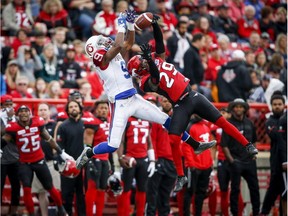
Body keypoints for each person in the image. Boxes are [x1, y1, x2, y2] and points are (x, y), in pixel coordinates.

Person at [76, 10, 215, 193]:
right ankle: (89, 152)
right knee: (112, 145)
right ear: (96, 48)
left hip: (133, 98)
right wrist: (120, 24)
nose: (105, 41)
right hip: (120, 104)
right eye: (101, 41)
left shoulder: (113, 54)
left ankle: (195, 145)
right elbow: (118, 44)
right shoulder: (100, 58)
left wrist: (131, 25)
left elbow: (127, 43)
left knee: (167, 120)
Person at [127, 17, 258, 192]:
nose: (144, 60)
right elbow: (156, 78)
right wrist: (149, 62)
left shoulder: (156, 59)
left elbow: (159, 41)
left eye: (143, 60)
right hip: (181, 104)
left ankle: (247, 145)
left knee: (222, 121)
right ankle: (181, 176)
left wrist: (155, 24)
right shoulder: (144, 81)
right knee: (173, 139)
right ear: (140, 70)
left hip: (194, 95)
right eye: (141, 62)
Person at [1, 105, 70, 216]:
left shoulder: (37, 123)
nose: (23, 113)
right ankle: (32, 214)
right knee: (27, 189)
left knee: (50, 187)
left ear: (30, 113)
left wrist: (60, 152)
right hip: (24, 163)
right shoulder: (13, 128)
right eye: (21, 111)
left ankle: (61, 209)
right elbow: (4, 140)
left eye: (26, 111)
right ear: (18, 115)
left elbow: (49, 139)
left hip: (39, 161)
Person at [221, 99, 260, 216]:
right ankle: (235, 213)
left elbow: (254, 140)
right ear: (233, 109)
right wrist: (232, 161)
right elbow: (224, 145)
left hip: (249, 161)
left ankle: (257, 212)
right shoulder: (228, 123)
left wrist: (254, 154)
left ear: (244, 108)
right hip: (236, 161)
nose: (238, 109)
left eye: (241, 107)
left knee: (255, 188)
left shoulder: (249, 123)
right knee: (235, 190)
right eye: (236, 107)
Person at [117, 116, 155, 216]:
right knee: (126, 189)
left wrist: (152, 160)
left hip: (143, 159)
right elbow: (121, 141)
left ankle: (140, 213)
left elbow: (149, 142)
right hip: (129, 158)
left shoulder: (147, 121)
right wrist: (121, 157)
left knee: (142, 189)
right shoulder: (126, 120)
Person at [145, 95, 177, 216]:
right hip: (159, 160)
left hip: (172, 161)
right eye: (164, 101)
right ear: (160, 103)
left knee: (165, 194)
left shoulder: (178, 119)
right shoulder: (157, 119)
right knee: (152, 193)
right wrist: (155, 159)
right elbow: (152, 140)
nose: (167, 103)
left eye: (169, 101)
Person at [56, 100, 86, 215]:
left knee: (81, 195)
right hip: (68, 166)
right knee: (66, 195)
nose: (73, 108)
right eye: (71, 107)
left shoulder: (85, 124)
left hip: (83, 165)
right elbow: (59, 146)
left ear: (80, 108)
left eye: (75, 106)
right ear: (67, 110)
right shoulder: (63, 126)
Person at [31, 103, 61, 216]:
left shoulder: (55, 125)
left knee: (56, 190)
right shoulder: (33, 126)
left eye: (45, 110)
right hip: (37, 162)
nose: (43, 112)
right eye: (41, 110)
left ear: (49, 112)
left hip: (51, 162)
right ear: (37, 112)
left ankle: (59, 212)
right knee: (41, 192)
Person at [181, 115, 214, 216]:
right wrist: (191, 164)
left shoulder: (206, 127)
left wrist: (210, 162)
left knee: (201, 193)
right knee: (189, 192)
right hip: (194, 166)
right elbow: (185, 147)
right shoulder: (189, 126)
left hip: (206, 166)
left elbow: (209, 147)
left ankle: (198, 214)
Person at [261, 92, 286, 215]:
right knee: (274, 189)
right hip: (276, 161)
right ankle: (264, 212)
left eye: (279, 104)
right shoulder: (269, 121)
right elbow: (276, 136)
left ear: (284, 105)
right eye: (275, 104)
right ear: (271, 106)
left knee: (284, 191)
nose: (277, 106)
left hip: (286, 159)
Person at [85, 100, 110, 216]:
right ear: (96, 110)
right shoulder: (93, 123)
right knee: (92, 189)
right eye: (101, 108)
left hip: (105, 159)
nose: (103, 110)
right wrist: (89, 162)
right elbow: (87, 147)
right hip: (95, 159)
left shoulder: (110, 122)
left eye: (105, 108)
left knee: (102, 189)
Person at [0, 95, 20, 216]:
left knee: (16, 187)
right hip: (1, 159)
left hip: (15, 158)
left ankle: (13, 212)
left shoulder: (16, 119)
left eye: (10, 105)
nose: (8, 108)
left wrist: (11, 121)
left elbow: (17, 136)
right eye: (6, 105)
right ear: (1, 106)